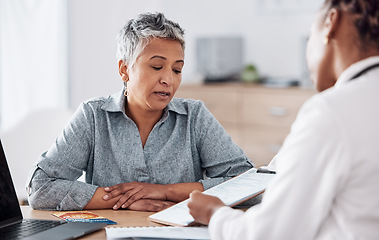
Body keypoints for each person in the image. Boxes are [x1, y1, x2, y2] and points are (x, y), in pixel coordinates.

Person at [188, 0, 379, 239]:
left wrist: (214, 213)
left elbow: (270, 234)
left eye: (312, 33)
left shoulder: (332, 111)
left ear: (331, 22)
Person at [27, 12, 253, 212]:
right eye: (157, 67)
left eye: (177, 69)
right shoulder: (93, 116)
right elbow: (41, 187)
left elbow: (251, 186)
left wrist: (164, 191)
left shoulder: (194, 116)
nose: (168, 80)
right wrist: (127, 201)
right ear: (124, 69)